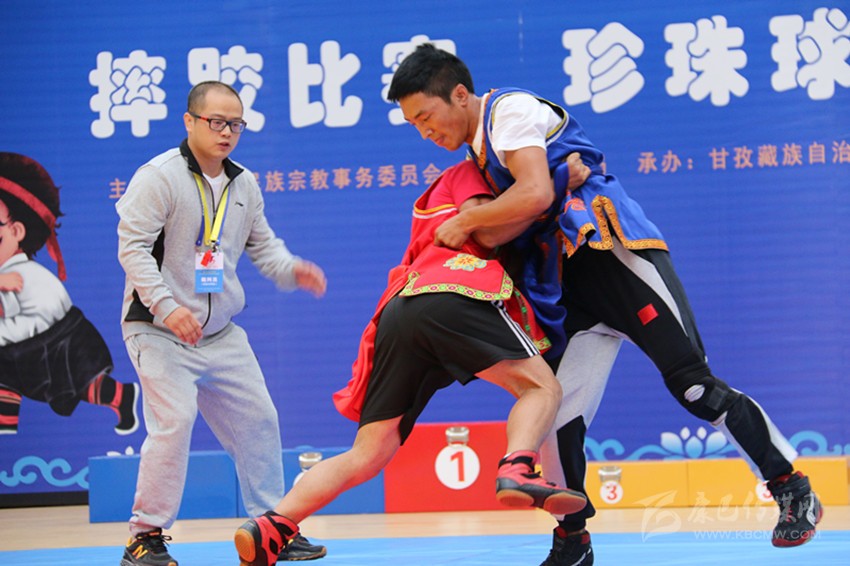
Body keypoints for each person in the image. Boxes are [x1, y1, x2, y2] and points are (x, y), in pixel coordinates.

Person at [387, 44, 821, 565]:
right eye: (413, 125)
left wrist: (469, 219)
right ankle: (572, 541)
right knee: (556, 417)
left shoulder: (509, 111)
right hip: (568, 286)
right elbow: (513, 219)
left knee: (694, 385)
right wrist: (511, 207)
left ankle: (792, 487)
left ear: (460, 95)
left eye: (425, 117)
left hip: (614, 252)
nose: (424, 132)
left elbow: (531, 196)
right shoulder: (475, 161)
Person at [232, 159, 589, 566]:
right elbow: (488, 230)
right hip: (454, 291)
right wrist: (555, 186)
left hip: (403, 308)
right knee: (542, 388)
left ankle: (273, 526)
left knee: (368, 454)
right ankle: (518, 467)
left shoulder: (456, 190)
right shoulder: (471, 173)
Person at [116, 81, 328, 566]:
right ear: (189, 121)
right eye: (216, 122)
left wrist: (290, 269)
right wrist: (167, 306)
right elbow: (132, 249)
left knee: (259, 420)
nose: (227, 132)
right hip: (158, 329)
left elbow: (263, 245)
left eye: (236, 124)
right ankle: (143, 538)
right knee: (174, 423)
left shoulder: (244, 183)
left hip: (220, 333)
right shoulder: (158, 178)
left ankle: (274, 528)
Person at [0, 152, 139, 436]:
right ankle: (6, 427)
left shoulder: (28, 276)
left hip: (60, 341)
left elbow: (42, 315)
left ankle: (121, 397)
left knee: (83, 384)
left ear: (17, 230)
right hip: (36, 345)